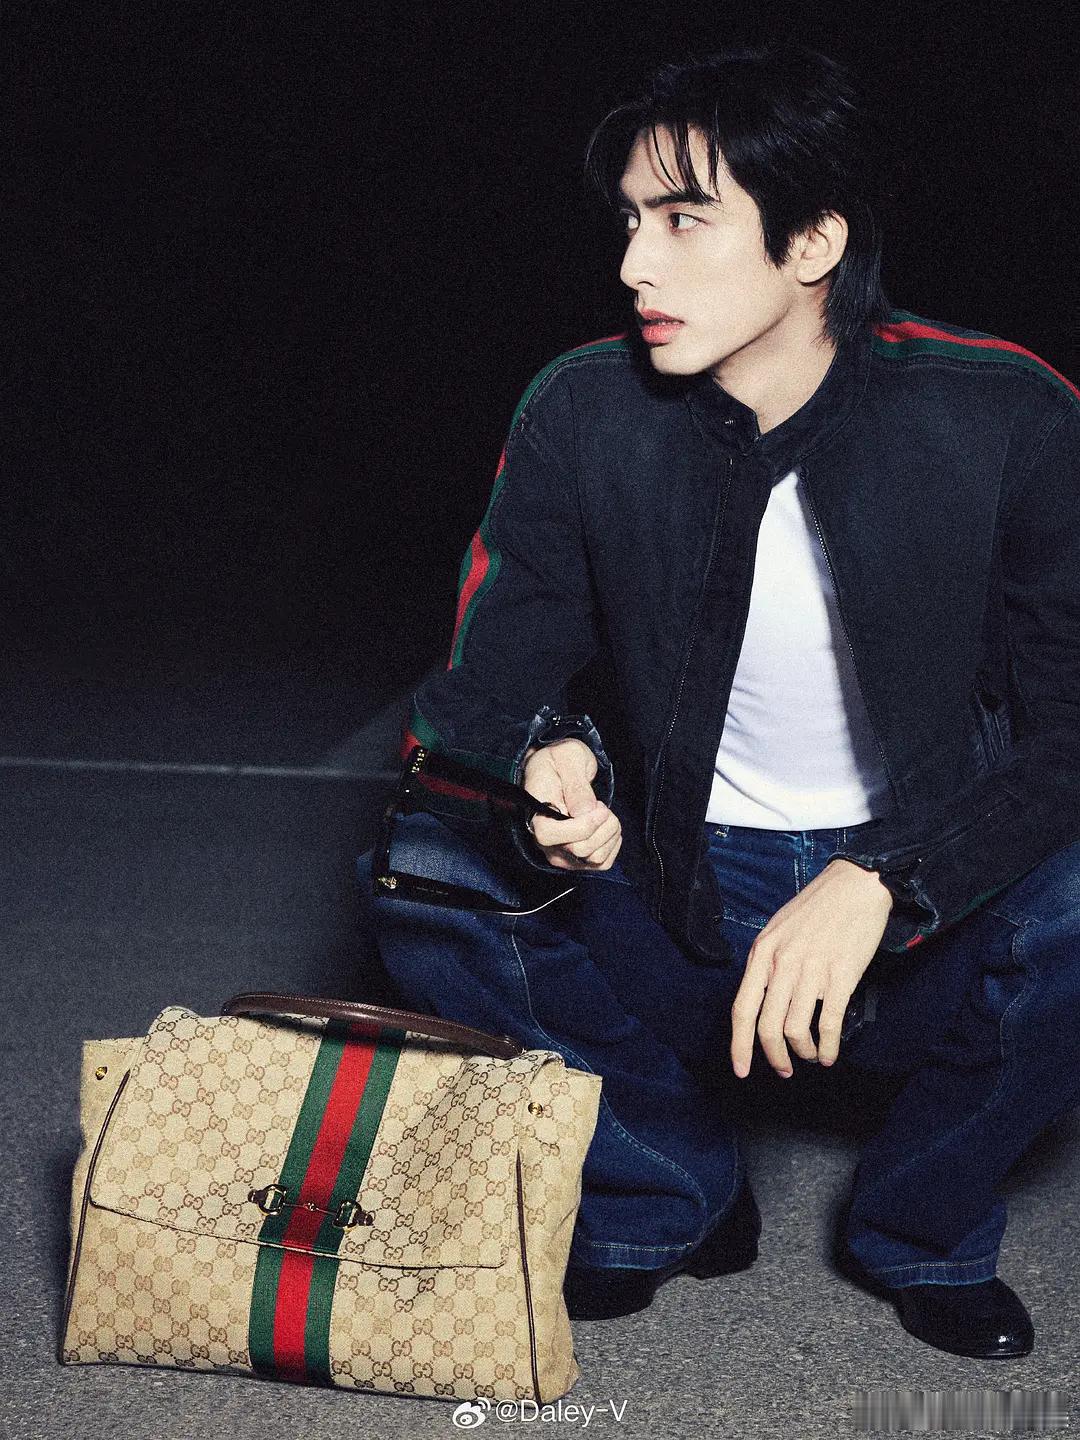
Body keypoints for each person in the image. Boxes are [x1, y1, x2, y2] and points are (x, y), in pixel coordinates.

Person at [356, 41, 1080, 1359]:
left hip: (920, 907)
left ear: (813, 242)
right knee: (426, 855)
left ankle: (919, 1227)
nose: (636, 262)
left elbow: (1071, 729)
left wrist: (891, 881)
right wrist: (545, 760)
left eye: (684, 219)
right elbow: (477, 696)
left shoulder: (1004, 416)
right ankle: (666, 1188)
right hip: (677, 887)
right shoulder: (586, 411)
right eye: (632, 219)